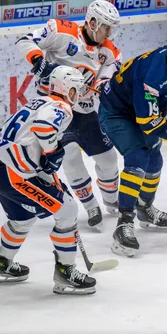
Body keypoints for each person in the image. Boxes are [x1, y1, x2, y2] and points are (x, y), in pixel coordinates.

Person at [16, 0, 122, 231]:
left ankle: (112, 199)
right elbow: (26, 40)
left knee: (108, 159)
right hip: (54, 109)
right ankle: (91, 205)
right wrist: (38, 62)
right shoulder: (62, 31)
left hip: (84, 112)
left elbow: (107, 79)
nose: (109, 32)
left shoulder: (109, 52)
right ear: (92, 22)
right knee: (71, 156)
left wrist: (104, 86)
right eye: (106, 26)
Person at [98, 34, 167, 257]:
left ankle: (145, 209)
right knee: (137, 157)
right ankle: (124, 223)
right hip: (116, 114)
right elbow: (148, 122)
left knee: (155, 158)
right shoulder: (153, 75)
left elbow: (154, 114)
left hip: (136, 112)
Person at [0, 66, 96, 295]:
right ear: (67, 88)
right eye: (76, 89)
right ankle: (65, 273)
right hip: (14, 174)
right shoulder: (61, 106)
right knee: (68, 210)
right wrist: (52, 152)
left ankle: (2, 263)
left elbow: (26, 137)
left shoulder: (38, 102)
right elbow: (43, 128)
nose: (78, 94)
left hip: (7, 169)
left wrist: (45, 167)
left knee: (22, 218)